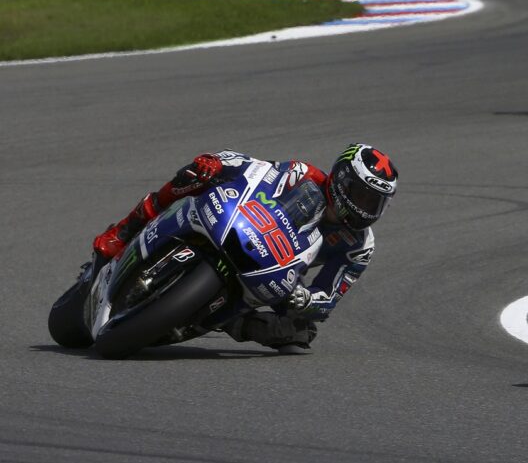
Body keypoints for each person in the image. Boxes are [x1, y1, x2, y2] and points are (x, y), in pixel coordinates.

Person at [91, 144, 398, 353]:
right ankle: (125, 229)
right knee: (194, 176)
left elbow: (329, 297)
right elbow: (254, 170)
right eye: (361, 195)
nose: (365, 207)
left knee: (299, 335)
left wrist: (306, 300)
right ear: (341, 181)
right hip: (244, 227)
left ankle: (231, 321)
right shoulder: (302, 174)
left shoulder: (360, 245)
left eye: (375, 202)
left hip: (283, 271)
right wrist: (217, 164)